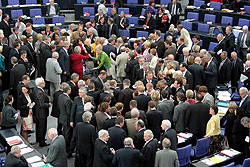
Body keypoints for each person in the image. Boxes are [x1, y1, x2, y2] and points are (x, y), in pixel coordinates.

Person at [32, 77, 51, 147]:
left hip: (37, 112)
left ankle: (38, 138)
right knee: (42, 127)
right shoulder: (40, 92)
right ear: (40, 84)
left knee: (38, 126)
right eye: (43, 82)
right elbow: (42, 104)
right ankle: (42, 141)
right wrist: (48, 104)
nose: (45, 83)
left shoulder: (35, 90)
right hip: (41, 113)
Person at [58, 83, 74, 155]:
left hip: (62, 117)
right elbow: (69, 112)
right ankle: (67, 148)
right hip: (67, 119)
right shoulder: (68, 100)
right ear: (68, 90)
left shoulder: (60, 96)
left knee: (64, 132)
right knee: (67, 134)